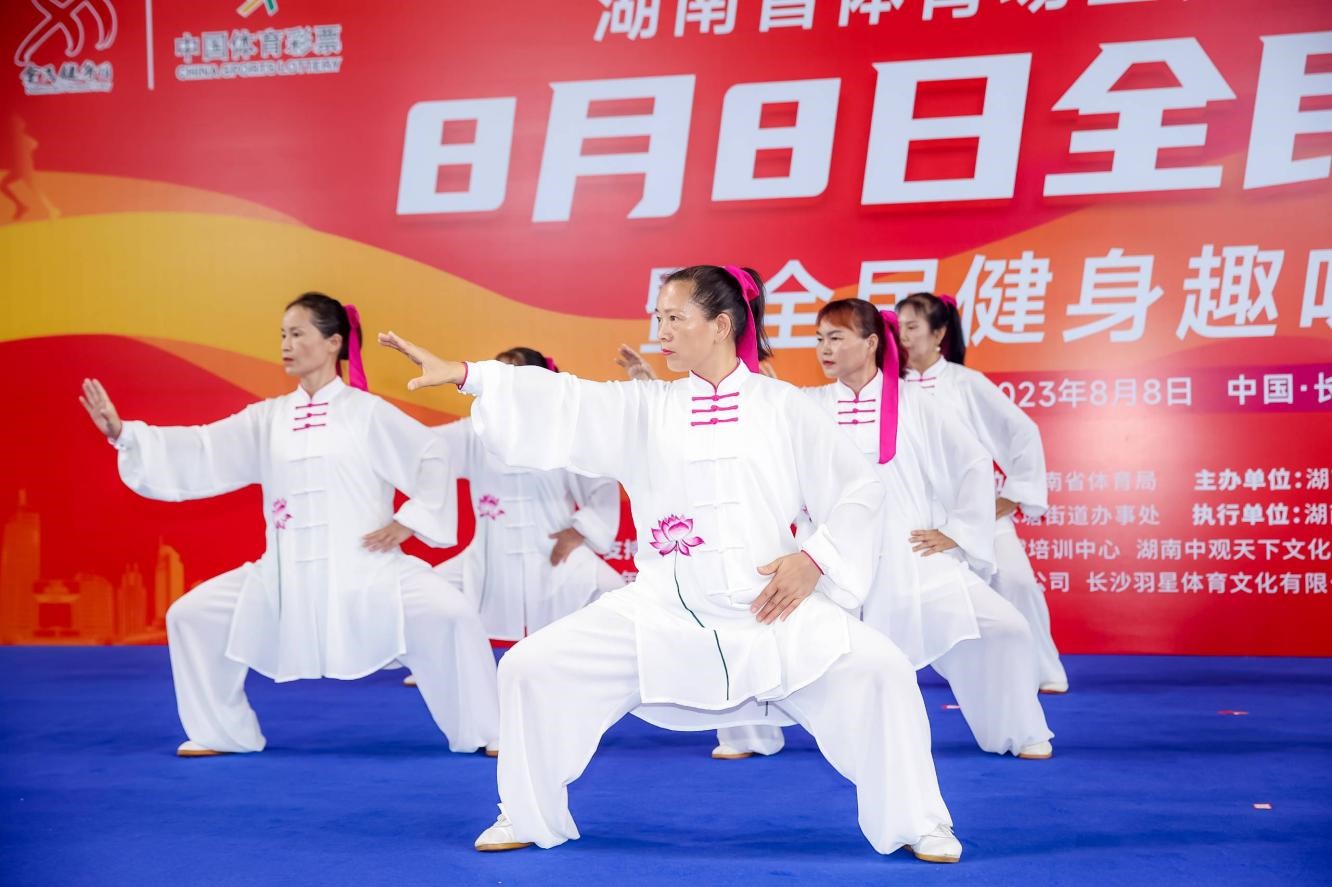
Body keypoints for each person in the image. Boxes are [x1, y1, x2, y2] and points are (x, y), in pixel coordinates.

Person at [380, 265, 962, 863]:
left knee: (884, 671)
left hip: (770, 609)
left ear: (721, 325)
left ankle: (919, 821)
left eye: (675, 318)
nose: (661, 331)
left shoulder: (784, 407)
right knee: (530, 667)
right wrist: (470, 375)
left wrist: (815, 560)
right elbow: (566, 399)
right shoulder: (648, 408)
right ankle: (526, 813)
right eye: (658, 317)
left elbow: (860, 489)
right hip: (660, 611)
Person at [79, 293, 499, 756]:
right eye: (282, 334)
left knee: (452, 615)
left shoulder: (366, 413)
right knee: (191, 617)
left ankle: (487, 731)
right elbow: (203, 448)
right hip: (282, 576)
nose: (286, 344)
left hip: (369, 572)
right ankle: (223, 733)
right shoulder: (268, 419)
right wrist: (125, 435)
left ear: (333, 342)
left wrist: (409, 521)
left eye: (297, 334)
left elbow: (431, 455)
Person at [897, 292, 1069, 694]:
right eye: (898, 327)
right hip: (919, 518)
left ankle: (1043, 667)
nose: (902, 335)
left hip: (976, 511)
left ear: (939, 333)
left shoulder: (965, 383)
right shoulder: (892, 389)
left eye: (912, 326)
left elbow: (1021, 432)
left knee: (1016, 582)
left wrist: (1014, 494)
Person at [413, 347, 623, 664]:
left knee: (613, 591)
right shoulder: (474, 432)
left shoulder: (564, 434)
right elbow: (422, 447)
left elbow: (602, 484)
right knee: (426, 594)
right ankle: (438, 667)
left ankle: (601, 667)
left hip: (551, 549)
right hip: (489, 553)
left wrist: (581, 530)